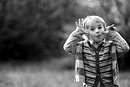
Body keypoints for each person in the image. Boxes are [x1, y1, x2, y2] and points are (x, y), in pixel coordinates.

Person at [63, 15, 129, 87]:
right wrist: (78, 32)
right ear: (87, 33)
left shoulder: (110, 46)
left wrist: (112, 33)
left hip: (109, 85)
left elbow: (124, 48)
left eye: (100, 27)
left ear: (104, 30)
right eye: (92, 29)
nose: (97, 31)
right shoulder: (82, 47)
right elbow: (67, 47)